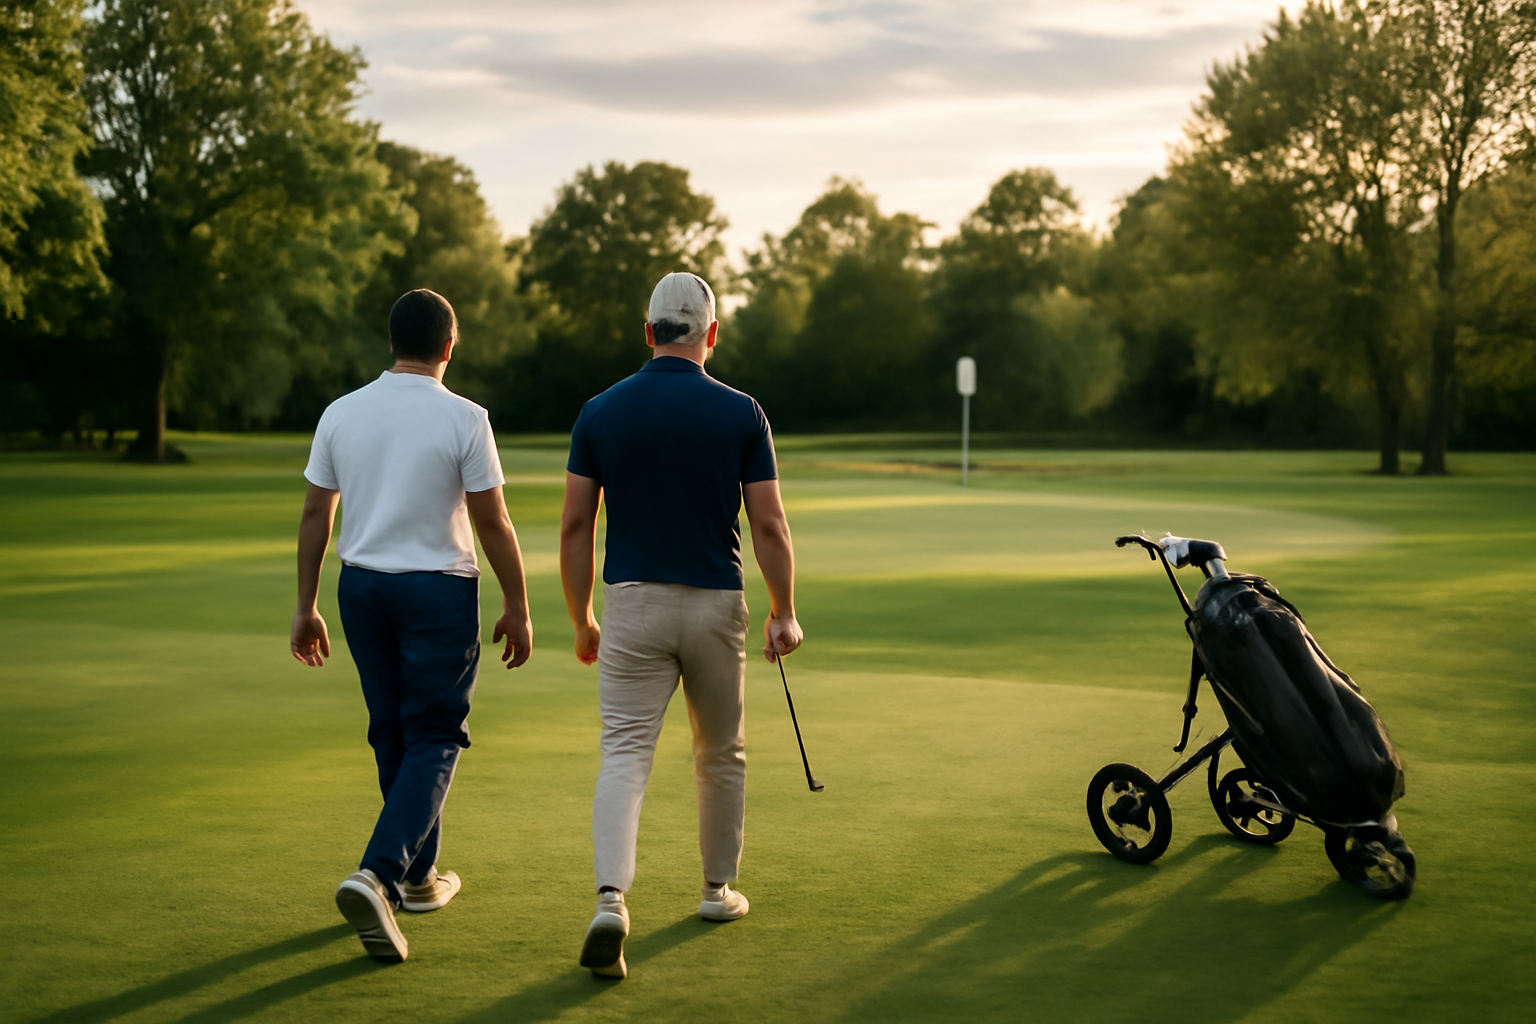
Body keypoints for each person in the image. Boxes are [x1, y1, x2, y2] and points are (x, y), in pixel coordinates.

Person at [559, 271, 803, 980]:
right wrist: (783, 611)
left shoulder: (599, 410)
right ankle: (716, 890)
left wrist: (582, 619)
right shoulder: (742, 412)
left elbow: (577, 525)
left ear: (648, 333)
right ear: (711, 334)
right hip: (714, 604)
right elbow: (769, 523)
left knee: (625, 753)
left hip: (632, 603)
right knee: (720, 753)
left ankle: (611, 899)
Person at [290, 288, 533, 964]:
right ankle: (379, 873)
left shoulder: (341, 413)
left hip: (362, 589)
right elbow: (493, 522)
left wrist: (306, 604)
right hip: (438, 591)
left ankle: (422, 878)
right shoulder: (466, 418)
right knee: (436, 734)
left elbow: (317, 515)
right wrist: (517, 604)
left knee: (393, 730)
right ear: (449, 347)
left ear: (392, 342)